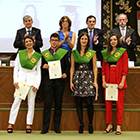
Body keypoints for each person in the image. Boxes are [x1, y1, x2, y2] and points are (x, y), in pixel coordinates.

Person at [7, 36, 42, 133]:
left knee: (31, 104)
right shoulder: (20, 54)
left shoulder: (37, 55)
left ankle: (29, 124)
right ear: (24, 43)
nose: (28, 43)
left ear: (33, 42)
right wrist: (15, 80)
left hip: (32, 81)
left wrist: (37, 84)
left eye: (30, 41)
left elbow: (38, 71)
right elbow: (16, 68)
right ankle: (11, 123)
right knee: (16, 102)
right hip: (21, 82)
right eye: (26, 42)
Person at [41, 33, 70, 134]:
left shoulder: (64, 53)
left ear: (59, 42)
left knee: (58, 105)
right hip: (48, 83)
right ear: (49, 41)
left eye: (56, 40)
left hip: (59, 82)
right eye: (52, 40)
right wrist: (43, 66)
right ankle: (45, 128)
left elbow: (67, 66)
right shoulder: (44, 54)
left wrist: (66, 73)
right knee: (47, 105)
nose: (54, 42)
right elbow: (40, 67)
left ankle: (56, 127)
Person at [70, 32, 98, 134]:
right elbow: (72, 68)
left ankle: (90, 124)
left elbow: (95, 68)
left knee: (89, 102)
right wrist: (71, 82)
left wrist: (95, 81)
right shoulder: (74, 53)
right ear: (79, 40)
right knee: (78, 103)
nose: (84, 41)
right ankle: (81, 124)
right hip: (77, 78)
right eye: (82, 39)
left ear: (88, 41)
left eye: (86, 39)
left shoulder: (92, 53)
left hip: (89, 77)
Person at [101, 33, 128, 135]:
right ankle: (109, 124)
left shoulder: (122, 52)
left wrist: (122, 81)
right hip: (108, 80)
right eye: (111, 40)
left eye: (115, 40)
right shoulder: (106, 53)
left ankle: (119, 125)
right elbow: (103, 69)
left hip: (118, 80)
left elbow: (125, 69)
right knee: (108, 104)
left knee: (119, 104)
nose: (113, 41)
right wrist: (103, 81)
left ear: (118, 41)